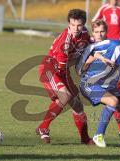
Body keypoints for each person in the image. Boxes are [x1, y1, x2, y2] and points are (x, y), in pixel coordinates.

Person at [77, 26, 120, 148]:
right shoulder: (113, 44)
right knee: (113, 101)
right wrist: (80, 66)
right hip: (90, 82)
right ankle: (98, 135)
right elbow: (91, 47)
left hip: (108, 86)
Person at [36, 9, 93, 145]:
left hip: (63, 71)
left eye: (79, 25)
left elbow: (88, 51)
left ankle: (85, 139)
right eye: (72, 25)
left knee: (78, 106)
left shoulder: (85, 34)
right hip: (50, 69)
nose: (75, 28)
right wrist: (82, 70)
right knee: (64, 96)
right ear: (69, 24)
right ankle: (43, 128)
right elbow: (62, 67)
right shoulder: (65, 41)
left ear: (84, 24)